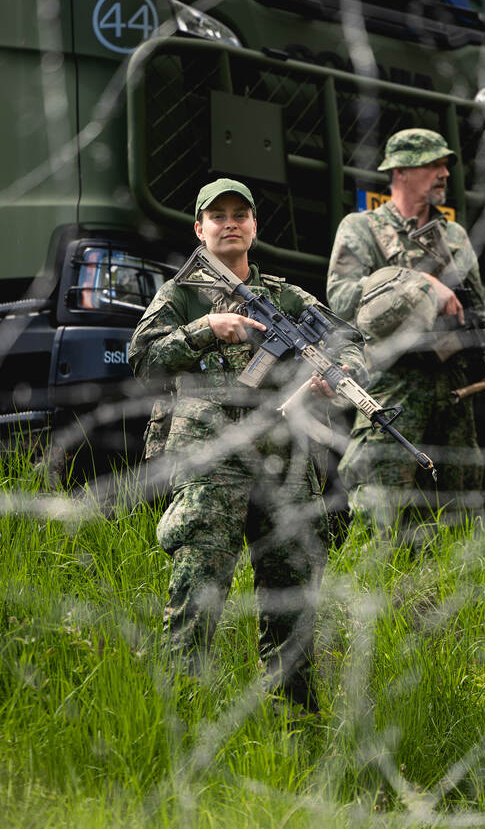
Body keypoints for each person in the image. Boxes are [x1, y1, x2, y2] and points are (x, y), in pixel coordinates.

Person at [127, 178, 364, 712]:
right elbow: (142, 359)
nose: (229, 223)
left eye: (240, 214)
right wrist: (207, 328)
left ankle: (295, 722)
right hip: (209, 459)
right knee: (199, 590)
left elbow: (349, 340)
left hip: (284, 460)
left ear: (255, 227)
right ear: (199, 229)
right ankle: (181, 713)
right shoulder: (180, 295)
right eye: (217, 216)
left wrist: (341, 373)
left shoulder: (285, 297)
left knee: (295, 595)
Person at [326, 128, 485, 529]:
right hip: (393, 386)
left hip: (454, 390)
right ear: (401, 172)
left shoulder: (455, 236)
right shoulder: (363, 228)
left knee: (456, 513)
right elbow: (341, 300)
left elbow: (476, 313)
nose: (443, 173)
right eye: (432, 164)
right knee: (379, 510)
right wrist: (422, 284)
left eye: (444, 165)